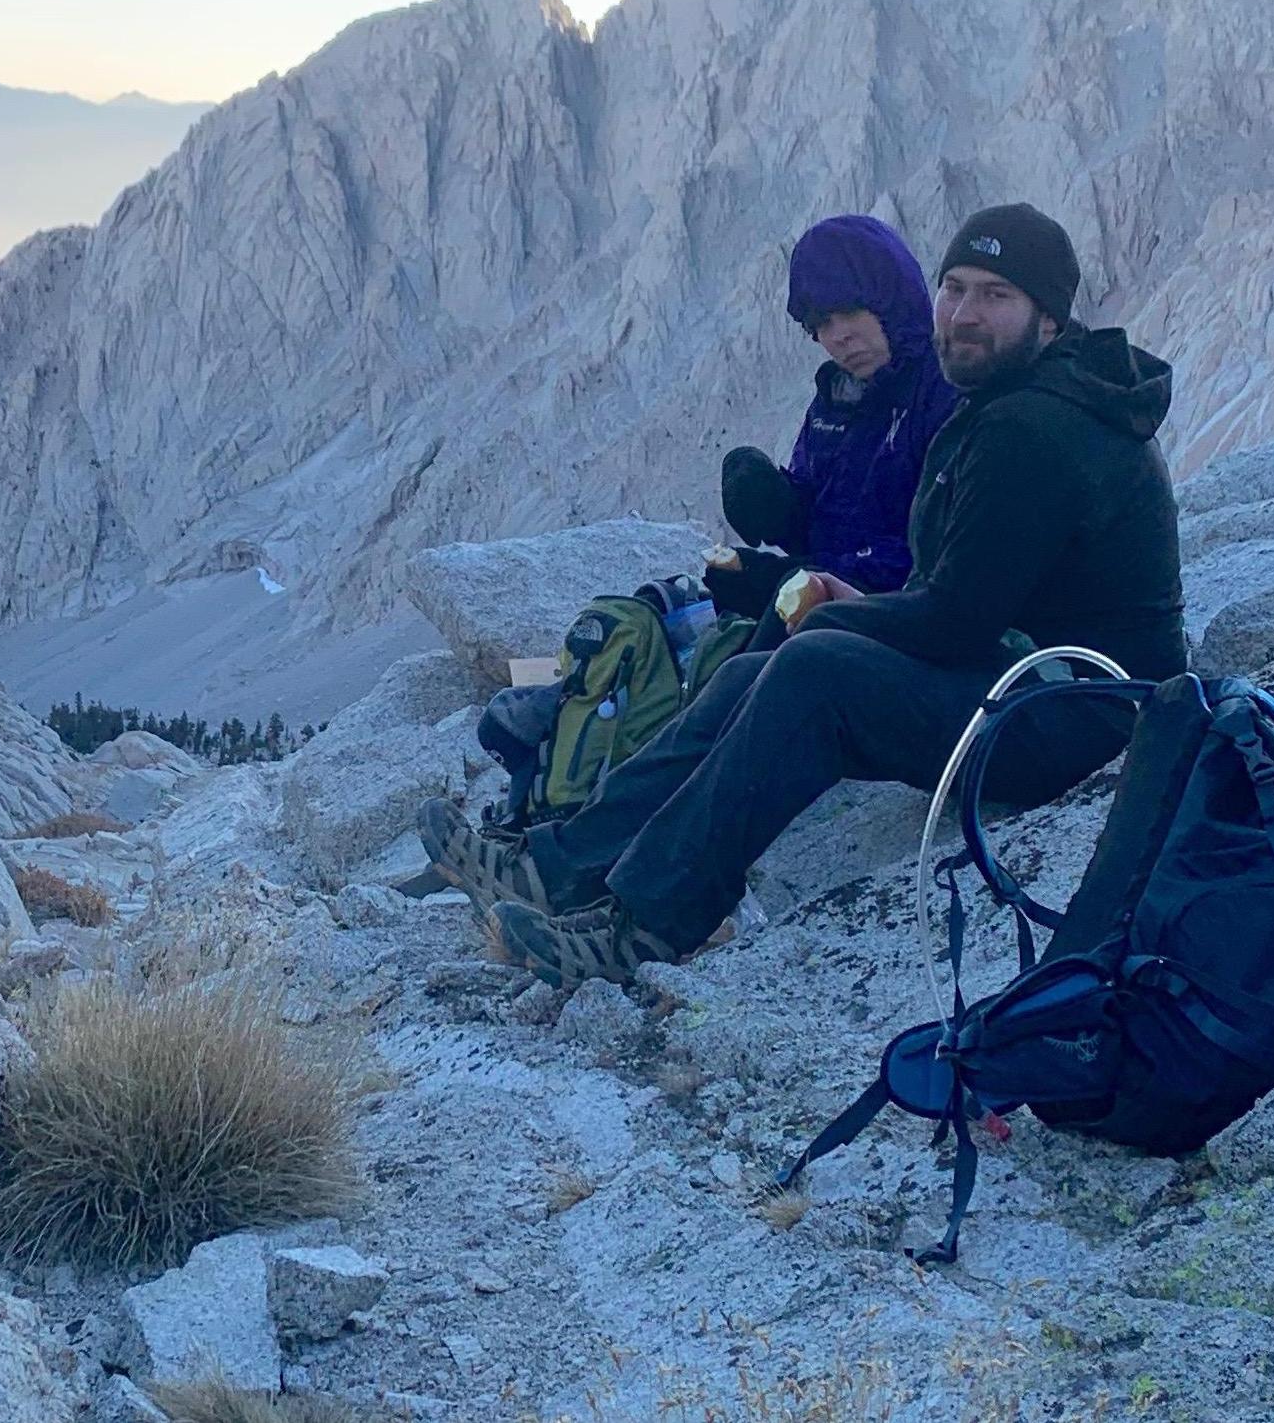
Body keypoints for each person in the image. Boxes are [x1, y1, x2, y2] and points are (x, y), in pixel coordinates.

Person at [421, 202, 1186, 987]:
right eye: (955, 287)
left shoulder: (1033, 426)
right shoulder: (1014, 398)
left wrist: (834, 609)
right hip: (1032, 675)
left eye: (996, 295)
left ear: (1048, 317)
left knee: (814, 672)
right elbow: (965, 592)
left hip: (1082, 711)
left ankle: (645, 928)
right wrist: (827, 587)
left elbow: (956, 622)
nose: (964, 314)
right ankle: (560, 867)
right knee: (753, 670)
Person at [710, 213, 960, 620]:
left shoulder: (948, 392)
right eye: (822, 323)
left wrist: (798, 576)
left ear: (890, 299)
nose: (839, 336)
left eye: (850, 311)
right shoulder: (835, 401)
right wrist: (777, 503)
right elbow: (824, 519)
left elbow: (938, 554)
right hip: (835, 609)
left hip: (906, 622)